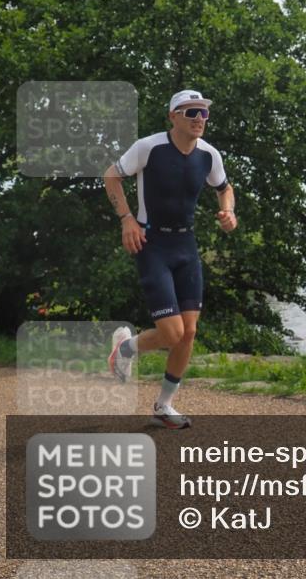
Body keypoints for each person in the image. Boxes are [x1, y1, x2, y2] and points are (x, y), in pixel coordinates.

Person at [103, 90, 237, 429]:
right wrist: (127, 220)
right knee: (172, 332)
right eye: (191, 111)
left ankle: (163, 405)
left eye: (204, 113)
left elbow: (224, 187)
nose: (199, 118)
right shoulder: (150, 148)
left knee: (188, 332)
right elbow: (111, 176)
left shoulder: (209, 155)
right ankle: (126, 349)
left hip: (186, 245)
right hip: (153, 243)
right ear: (173, 116)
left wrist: (228, 211)